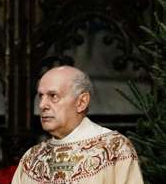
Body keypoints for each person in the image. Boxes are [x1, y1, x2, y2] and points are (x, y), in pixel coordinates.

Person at [11, 66, 143, 184]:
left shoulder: (114, 148)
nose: (41, 105)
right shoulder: (31, 158)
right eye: (41, 96)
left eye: (53, 96)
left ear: (81, 102)